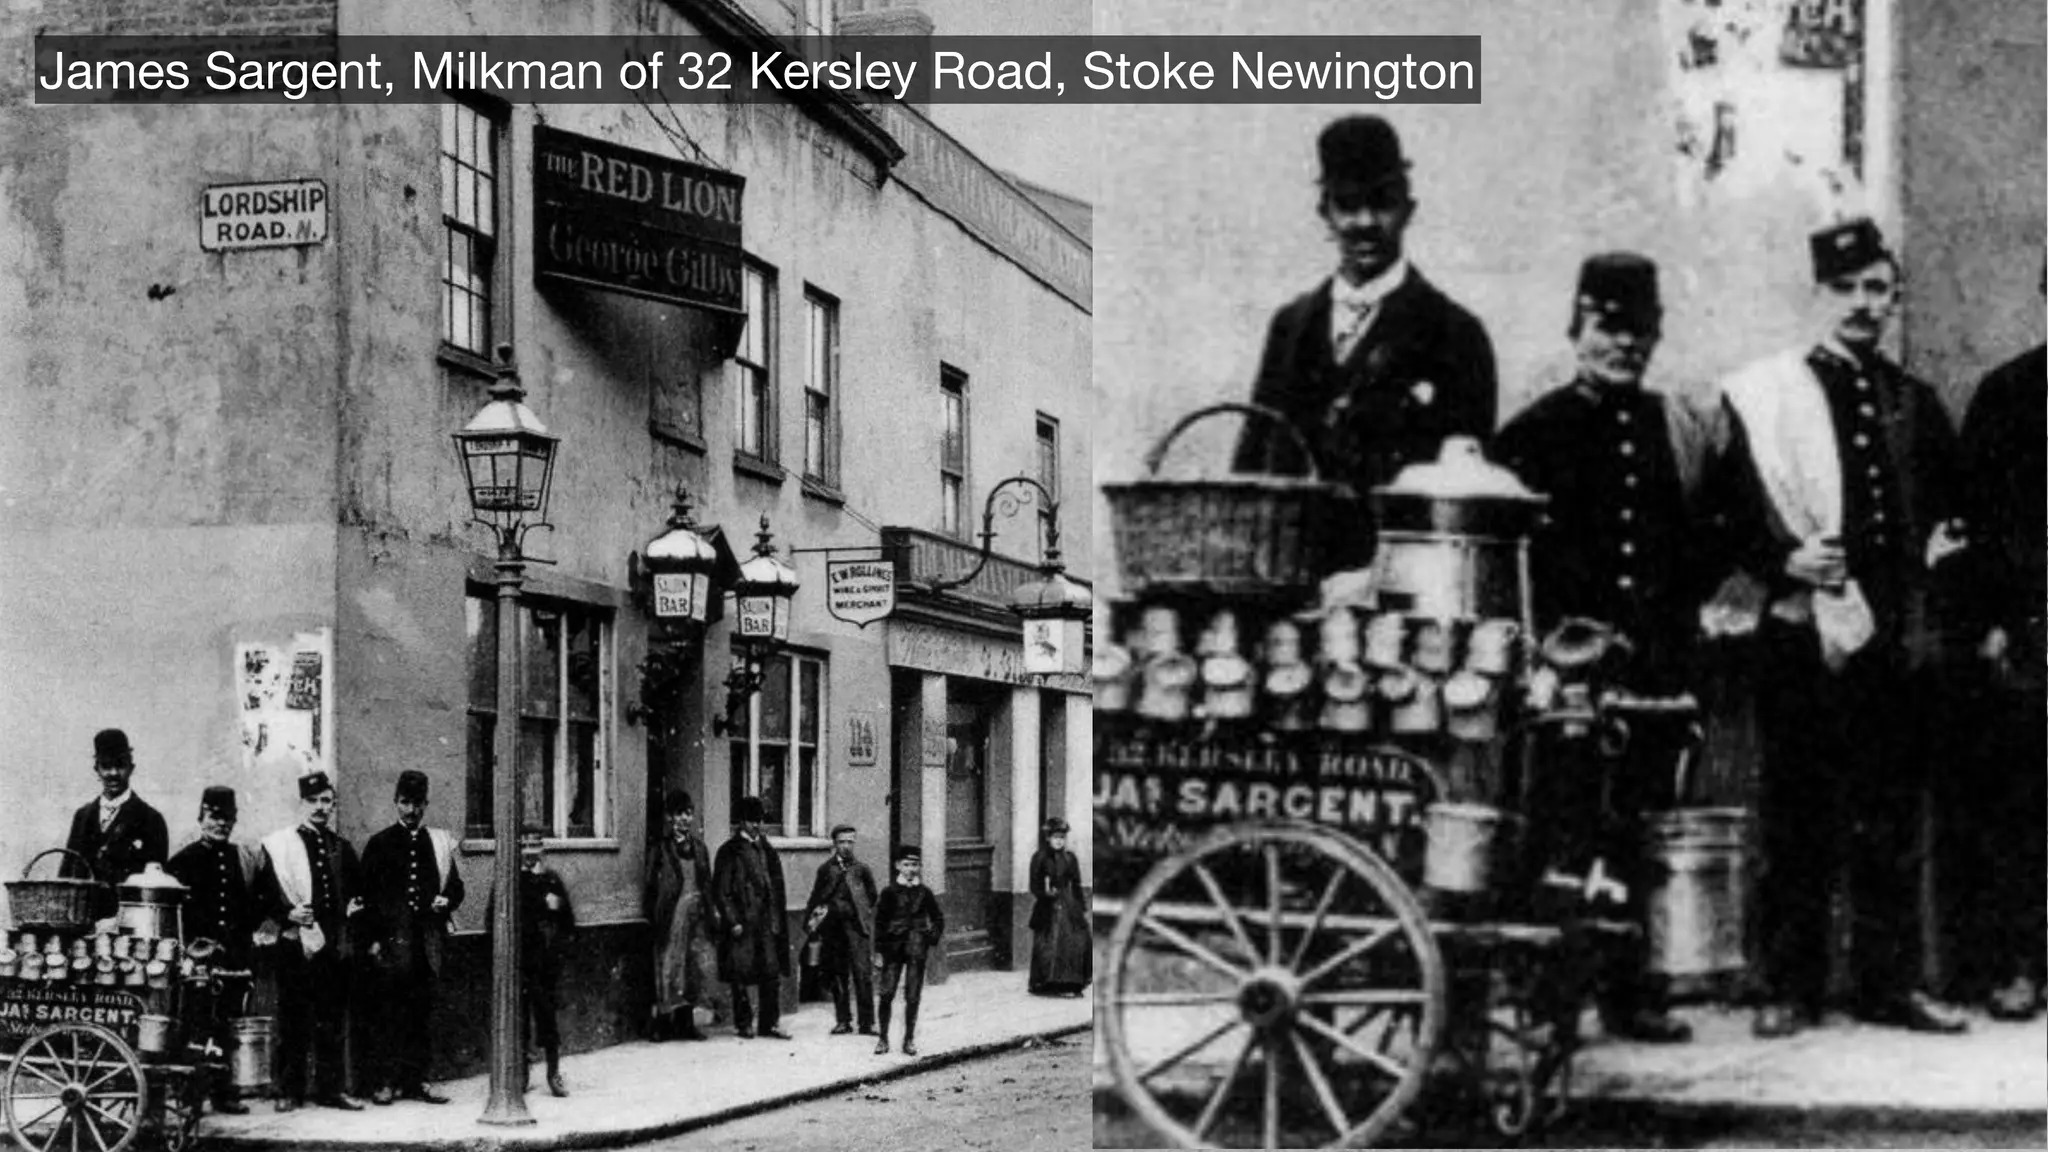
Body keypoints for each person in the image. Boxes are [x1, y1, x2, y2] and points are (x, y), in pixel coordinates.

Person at [1714, 218, 1969, 1038]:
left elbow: (1949, 512)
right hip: (1799, 632)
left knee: (1888, 816)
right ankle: (1790, 986)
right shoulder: (1767, 395)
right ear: (1818, 294)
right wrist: (1784, 559)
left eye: (1877, 289)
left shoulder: (1914, 402)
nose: (1864, 304)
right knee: (1797, 813)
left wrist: (1942, 551)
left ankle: (1887, 984)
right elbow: (1723, 513)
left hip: (1889, 638)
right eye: (1847, 288)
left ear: (1894, 298)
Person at [1495, 252, 1722, 1044]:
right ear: (1577, 329)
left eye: (1639, 333)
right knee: (1560, 833)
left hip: (1653, 674)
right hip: (1566, 679)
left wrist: (1684, 623)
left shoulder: (1677, 428)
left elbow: (1711, 538)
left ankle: (1630, 996)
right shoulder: (1532, 434)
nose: (1623, 346)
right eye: (1607, 329)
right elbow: (1507, 564)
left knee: (1636, 833)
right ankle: (1549, 1002)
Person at [1233, 113, 1498, 551]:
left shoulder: (1456, 334)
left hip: (1399, 588)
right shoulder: (1289, 327)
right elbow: (1250, 467)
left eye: (1382, 202)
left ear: (1409, 209)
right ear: (1325, 213)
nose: (1365, 221)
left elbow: (1467, 495)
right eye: (1347, 204)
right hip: (1290, 586)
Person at [1953, 276, 2045, 1022]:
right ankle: (2021, 965)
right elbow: (1974, 526)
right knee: (2023, 807)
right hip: (2031, 635)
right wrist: (1992, 623)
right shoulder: (2009, 396)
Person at [256, 771, 369, 1110]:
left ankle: (330, 1089)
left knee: (331, 1020)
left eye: (326, 801)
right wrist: (286, 914)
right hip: (294, 944)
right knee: (293, 1018)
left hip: (332, 945)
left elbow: (358, 892)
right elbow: (260, 896)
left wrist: (355, 907)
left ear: (333, 804)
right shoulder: (280, 845)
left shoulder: (341, 847)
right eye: (313, 800)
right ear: (301, 803)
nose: (320, 807)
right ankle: (290, 1090)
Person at [359, 770, 460, 1105]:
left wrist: (447, 900)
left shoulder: (437, 844)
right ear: (395, 803)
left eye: (417, 804)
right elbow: (366, 899)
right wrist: (373, 942)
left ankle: (416, 1081)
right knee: (388, 1016)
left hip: (425, 945)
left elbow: (456, 888)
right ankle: (385, 1083)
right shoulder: (380, 844)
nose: (411, 810)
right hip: (391, 946)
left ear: (425, 805)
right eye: (405, 803)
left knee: (420, 1016)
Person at [164, 786, 259, 1115]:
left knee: (228, 1025)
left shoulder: (242, 859)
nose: (220, 825)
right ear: (201, 818)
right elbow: (172, 914)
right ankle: (191, 1096)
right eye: (213, 818)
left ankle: (224, 1093)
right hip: (197, 960)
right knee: (195, 1025)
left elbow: (255, 904)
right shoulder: (182, 861)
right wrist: (190, 948)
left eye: (226, 819)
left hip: (233, 957)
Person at [488, 824, 576, 1096]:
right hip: (517, 963)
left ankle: (553, 1072)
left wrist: (557, 908)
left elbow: (568, 922)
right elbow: (493, 919)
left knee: (547, 1019)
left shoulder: (551, 880)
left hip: (545, 963)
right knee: (519, 1019)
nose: (530, 852)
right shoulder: (509, 881)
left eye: (535, 845)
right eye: (524, 846)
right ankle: (522, 1073)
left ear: (543, 848)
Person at [62, 728, 170, 914]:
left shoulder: (151, 819)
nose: (113, 773)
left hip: (128, 925)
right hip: (82, 923)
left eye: (120, 765)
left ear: (131, 768)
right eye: (106, 766)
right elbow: (66, 872)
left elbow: (156, 886)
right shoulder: (82, 817)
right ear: (97, 769)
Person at [711, 795, 791, 1040]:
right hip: (743, 923)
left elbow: (776, 887)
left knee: (771, 972)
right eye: (751, 821)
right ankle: (743, 1023)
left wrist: (777, 917)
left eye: (760, 821)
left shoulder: (767, 849)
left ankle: (770, 1024)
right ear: (741, 822)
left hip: (767, 923)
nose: (757, 826)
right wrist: (732, 920)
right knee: (741, 974)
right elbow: (721, 891)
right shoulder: (729, 851)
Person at [645, 788, 717, 1041]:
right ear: (669, 818)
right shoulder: (660, 849)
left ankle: (686, 1025)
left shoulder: (700, 848)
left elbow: (707, 883)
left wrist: (710, 912)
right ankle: (663, 1025)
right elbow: (650, 885)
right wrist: (655, 916)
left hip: (696, 917)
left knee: (692, 970)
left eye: (688, 813)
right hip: (671, 918)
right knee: (668, 969)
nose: (685, 819)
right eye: (679, 814)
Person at [803, 824, 878, 1036]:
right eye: (842, 842)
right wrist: (811, 924)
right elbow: (816, 897)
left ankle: (867, 1023)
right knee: (838, 976)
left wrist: (861, 914)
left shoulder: (861, 870)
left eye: (850, 842)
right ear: (834, 844)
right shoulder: (826, 870)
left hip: (856, 929)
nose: (846, 846)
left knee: (862, 975)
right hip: (834, 930)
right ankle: (843, 1020)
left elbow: (872, 896)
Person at [873, 845, 945, 1057]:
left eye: (915, 865)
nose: (911, 869)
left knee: (913, 996)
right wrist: (878, 952)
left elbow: (938, 918)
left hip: (916, 950)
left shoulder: (925, 893)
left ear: (920, 867)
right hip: (892, 951)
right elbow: (879, 923)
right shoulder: (888, 892)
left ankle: (909, 1039)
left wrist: (931, 936)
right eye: (906, 864)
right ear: (897, 866)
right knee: (886, 994)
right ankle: (883, 1038)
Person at [1026, 818, 1091, 998]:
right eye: (1055, 837)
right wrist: (1045, 894)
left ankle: (1070, 983)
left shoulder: (1070, 858)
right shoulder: (1039, 858)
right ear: (1048, 838)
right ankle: (1045, 983)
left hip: (1068, 904)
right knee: (1047, 945)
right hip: (1047, 907)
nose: (1059, 841)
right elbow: (1034, 885)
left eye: (1062, 837)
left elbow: (1076, 884)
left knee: (1074, 942)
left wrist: (1081, 908)